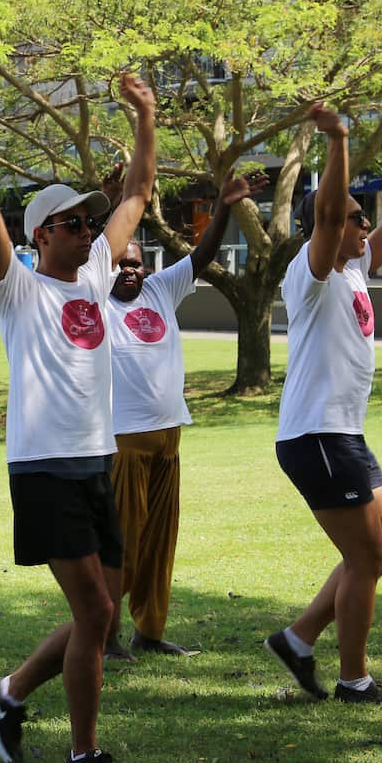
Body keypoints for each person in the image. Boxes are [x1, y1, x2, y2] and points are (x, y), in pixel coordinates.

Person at [0, 70, 155, 763]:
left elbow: (139, 195)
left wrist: (145, 116)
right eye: (73, 223)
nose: (89, 230)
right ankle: (83, 755)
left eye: (91, 222)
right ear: (39, 234)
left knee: (104, 615)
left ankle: (9, 692)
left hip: (94, 461)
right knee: (92, 609)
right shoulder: (17, 287)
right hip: (44, 466)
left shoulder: (93, 275)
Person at [266, 109, 382, 705]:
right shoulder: (309, 274)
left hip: (344, 434)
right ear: (328, 229)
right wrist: (338, 141)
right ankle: (354, 680)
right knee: (364, 555)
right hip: (316, 435)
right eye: (359, 218)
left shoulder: (355, 269)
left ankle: (299, 637)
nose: (366, 225)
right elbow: (332, 213)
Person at [105, 170, 269, 658]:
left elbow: (201, 256)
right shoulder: (93, 301)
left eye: (136, 265)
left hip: (169, 437)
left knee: (159, 542)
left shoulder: (161, 290)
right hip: (123, 442)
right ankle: (107, 634)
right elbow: (102, 247)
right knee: (123, 542)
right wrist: (117, 200)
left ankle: (149, 632)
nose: (129, 271)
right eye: (121, 265)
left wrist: (224, 207)